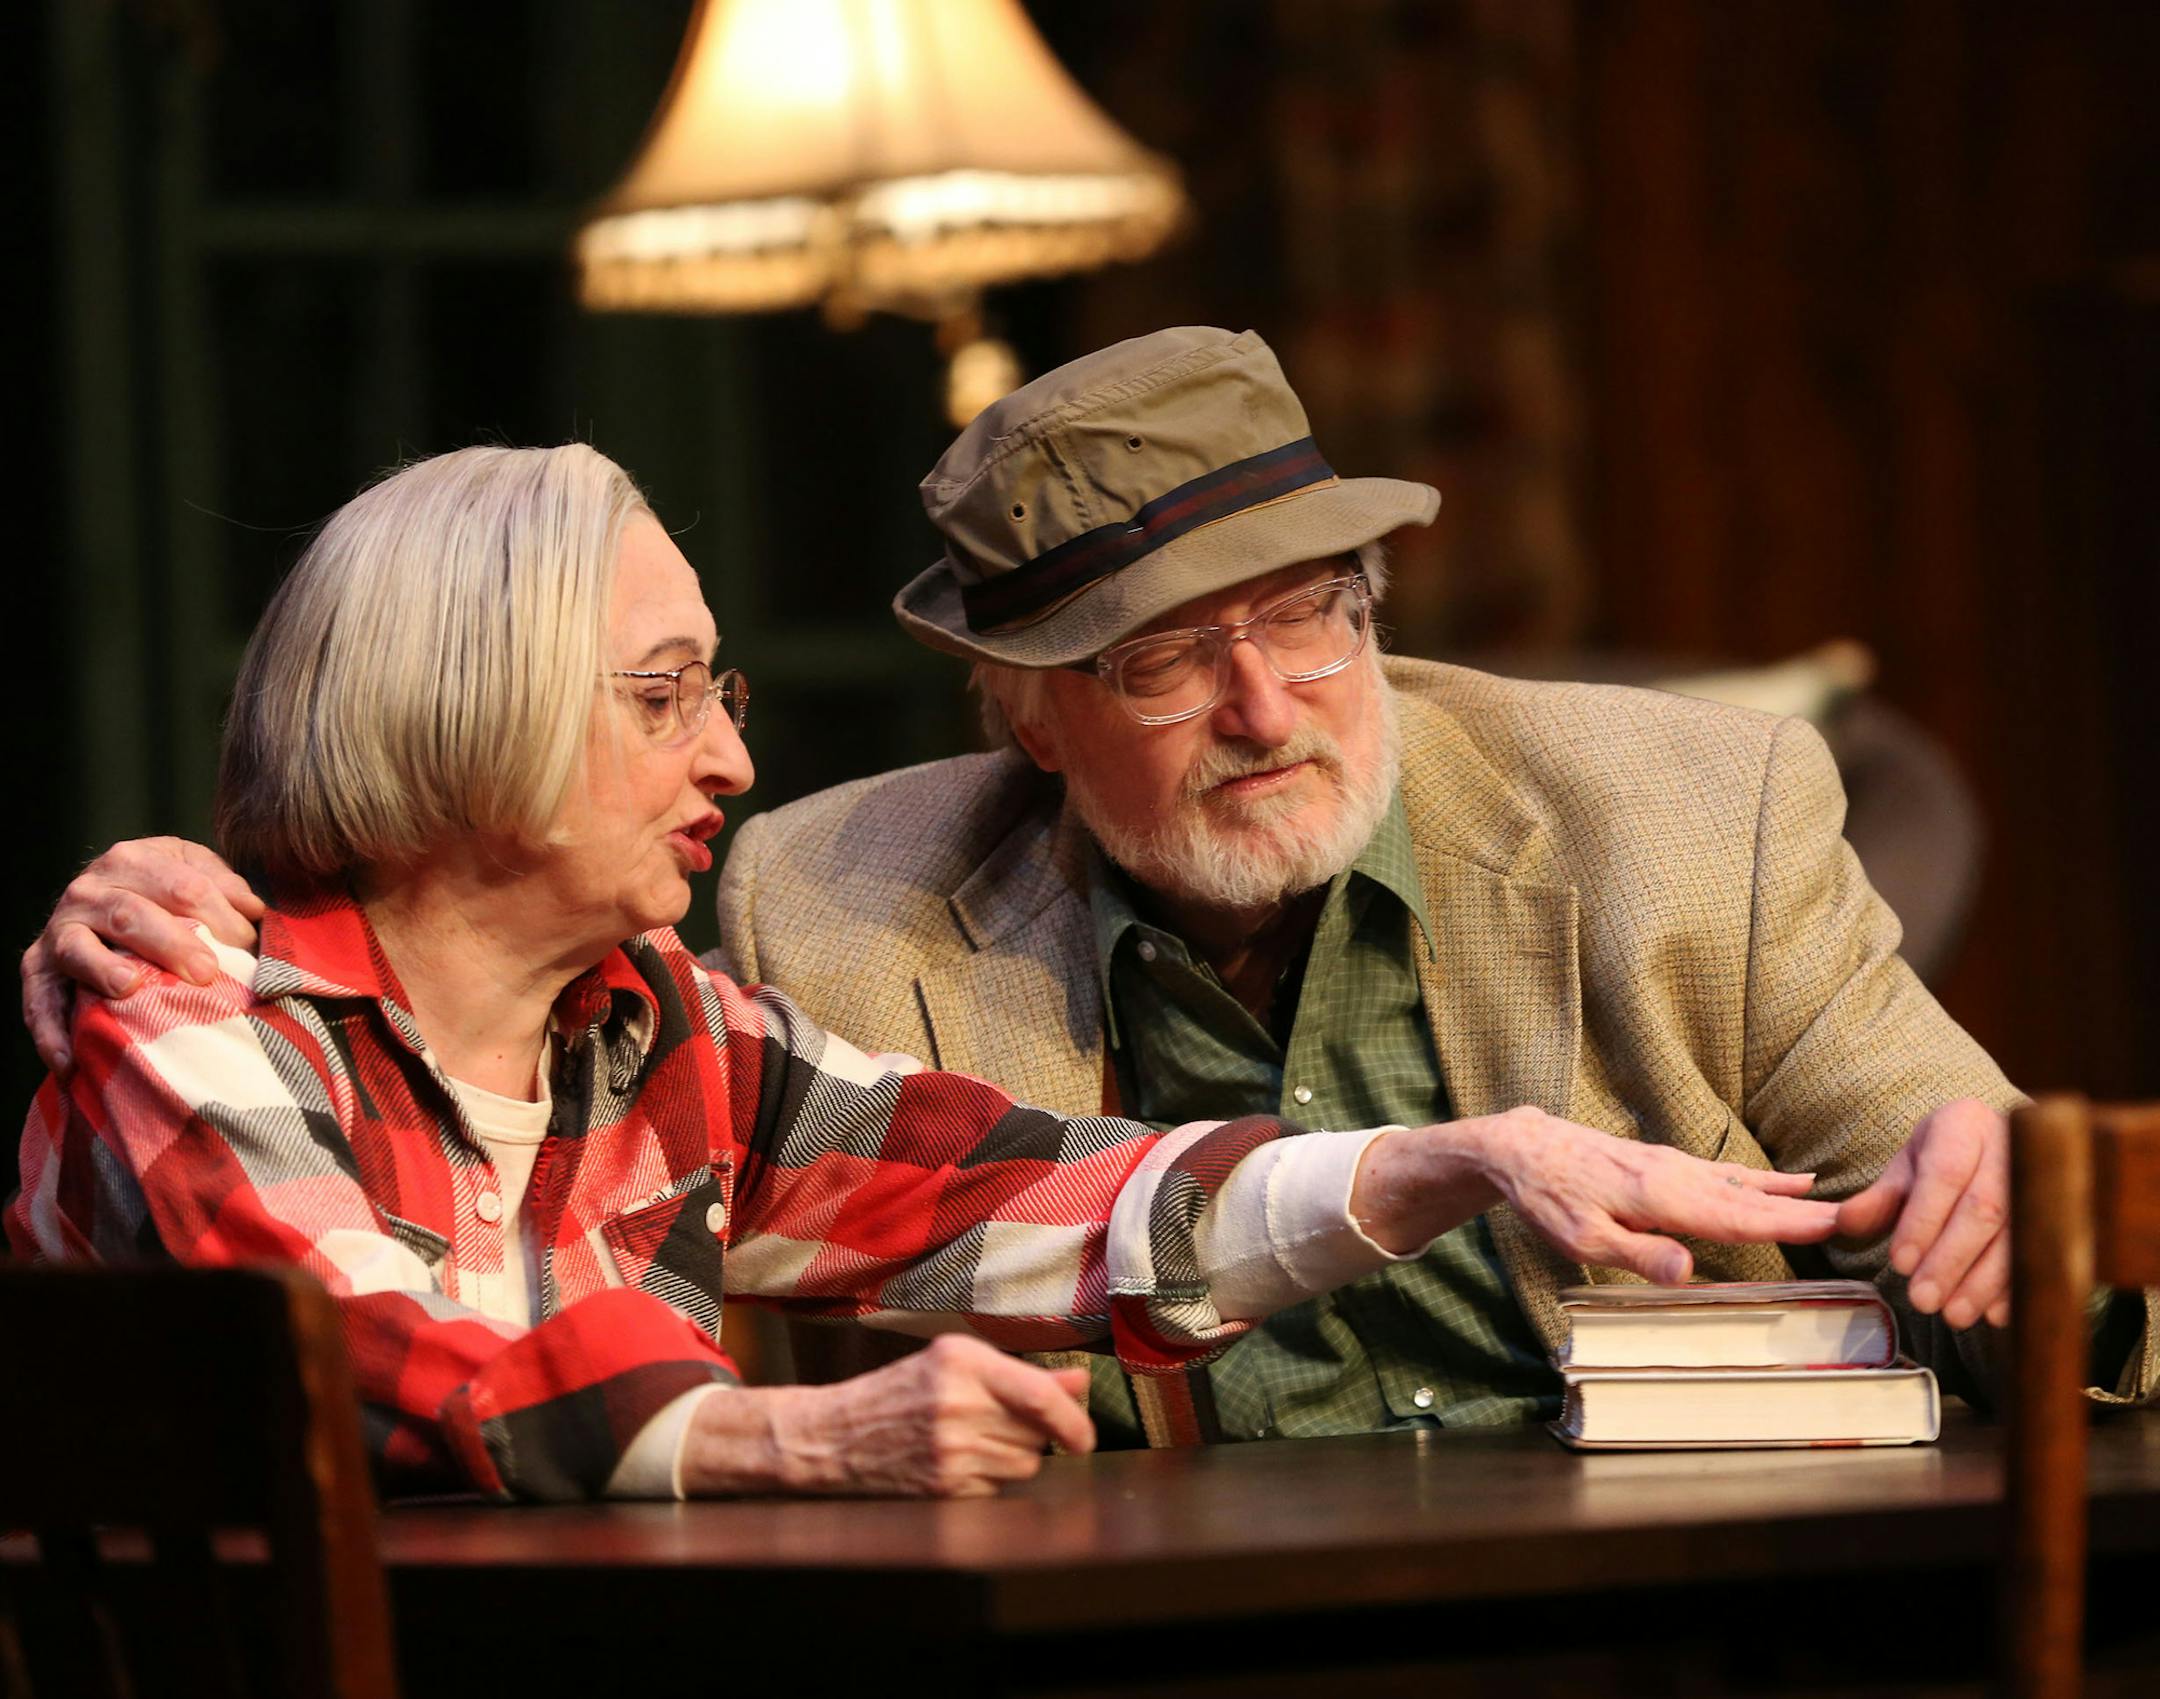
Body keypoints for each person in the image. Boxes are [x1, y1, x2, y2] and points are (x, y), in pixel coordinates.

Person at [24, 331, 2145, 1450]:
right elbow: (389, 1341)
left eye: (1317, 614)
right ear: (1023, 716)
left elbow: (1073, 1199)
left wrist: (1459, 1160)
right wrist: (783, 1451)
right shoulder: (234, 1007)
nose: (1273, 702)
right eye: (1159, 657)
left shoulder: (678, 1044)